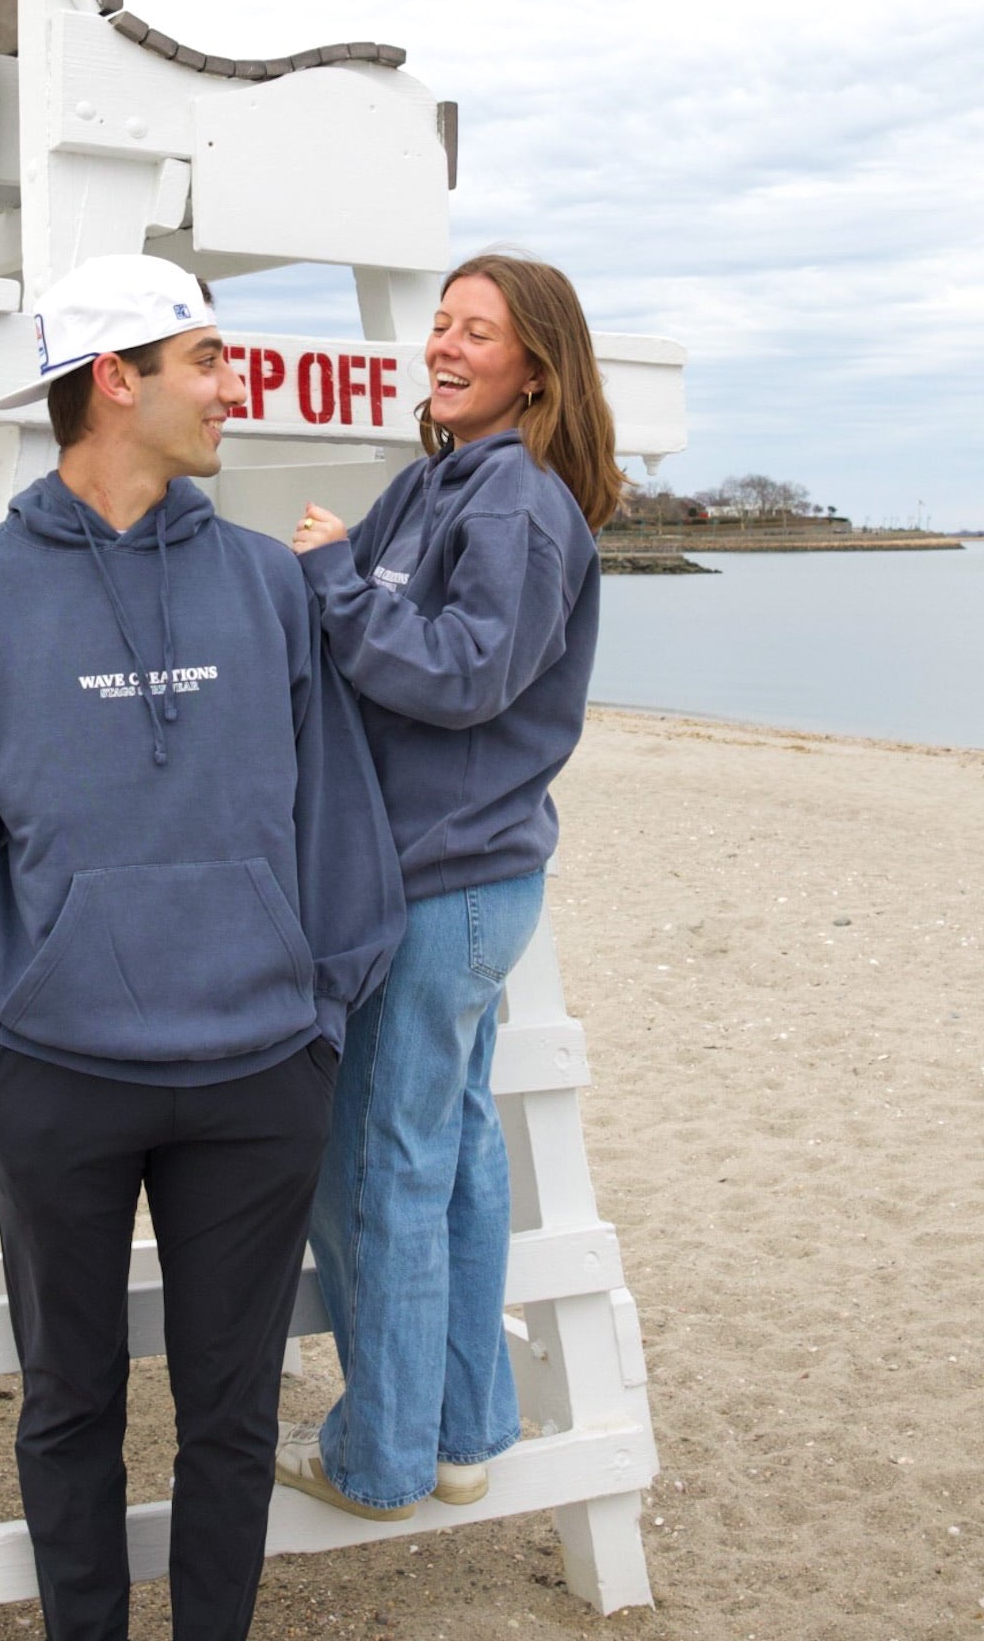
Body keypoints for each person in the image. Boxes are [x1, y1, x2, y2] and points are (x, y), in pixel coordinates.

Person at [0, 253, 405, 1641]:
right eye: (207, 360)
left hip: (259, 1073)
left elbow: (338, 817)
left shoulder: (268, 585)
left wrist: (321, 1016)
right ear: (115, 381)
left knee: (232, 1414)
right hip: (56, 1074)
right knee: (68, 1406)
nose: (232, 388)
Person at [276, 251, 624, 1520]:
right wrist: (324, 575)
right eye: (439, 323)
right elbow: (345, 600)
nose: (446, 344)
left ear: (536, 363)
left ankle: (381, 1455)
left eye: (477, 331)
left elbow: (469, 671)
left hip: (447, 887)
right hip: (453, 877)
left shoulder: (519, 506)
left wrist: (329, 577)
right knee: (456, 1152)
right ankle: (467, 1428)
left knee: (381, 1165)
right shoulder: (437, 481)